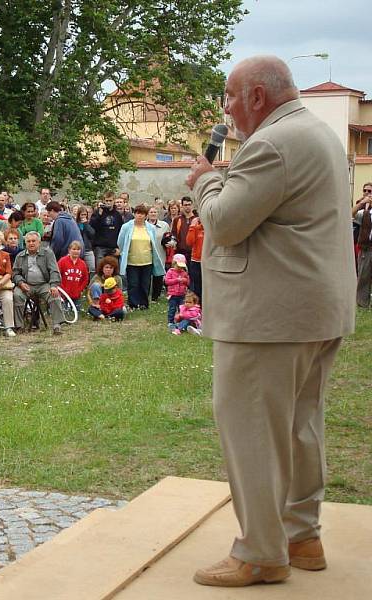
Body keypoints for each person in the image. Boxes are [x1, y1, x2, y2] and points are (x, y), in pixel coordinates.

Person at [185, 55, 356, 587]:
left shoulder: (272, 144)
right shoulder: (318, 134)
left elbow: (225, 222)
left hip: (268, 317)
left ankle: (261, 551)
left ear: (258, 96)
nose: (227, 110)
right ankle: (301, 535)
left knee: (254, 432)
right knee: (302, 426)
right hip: (313, 311)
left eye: (231, 97)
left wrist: (206, 180)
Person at [11, 231, 64, 335]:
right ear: (25, 243)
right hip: (26, 285)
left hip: (43, 284)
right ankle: (19, 326)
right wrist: (21, 283)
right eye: (28, 241)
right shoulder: (20, 256)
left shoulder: (47, 253)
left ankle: (57, 325)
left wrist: (53, 285)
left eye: (33, 241)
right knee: (16, 295)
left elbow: (54, 271)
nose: (31, 243)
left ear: (39, 242)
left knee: (54, 295)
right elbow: (15, 274)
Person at [116, 204, 165, 309]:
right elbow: (120, 242)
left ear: (146, 215)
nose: (140, 216)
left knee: (145, 284)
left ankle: (144, 303)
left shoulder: (151, 228)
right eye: (138, 213)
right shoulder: (126, 227)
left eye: (142, 214)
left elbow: (153, 243)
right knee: (133, 284)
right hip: (132, 261)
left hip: (147, 261)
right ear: (134, 214)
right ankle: (133, 304)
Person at [57, 240, 89, 310]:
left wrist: (79, 289)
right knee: (64, 311)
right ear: (69, 250)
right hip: (63, 294)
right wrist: (62, 289)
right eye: (74, 249)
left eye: (78, 249)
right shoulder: (62, 261)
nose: (76, 251)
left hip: (76, 295)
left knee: (77, 312)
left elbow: (85, 279)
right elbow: (57, 276)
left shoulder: (83, 264)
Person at [354, 189, 372, 307]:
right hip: (367, 247)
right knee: (363, 277)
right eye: (365, 191)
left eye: (370, 191)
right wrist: (361, 203)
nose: (367, 194)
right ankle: (362, 304)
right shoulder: (364, 211)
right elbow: (350, 214)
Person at [164, 254, 189, 329]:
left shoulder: (184, 273)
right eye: (178, 266)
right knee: (172, 308)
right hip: (173, 294)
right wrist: (176, 280)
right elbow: (167, 281)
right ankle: (170, 322)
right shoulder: (170, 272)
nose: (180, 268)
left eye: (181, 267)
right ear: (174, 264)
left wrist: (185, 281)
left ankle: (180, 322)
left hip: (182, 294)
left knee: (181, 309)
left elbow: (188, 283)